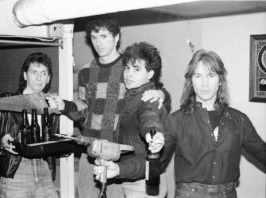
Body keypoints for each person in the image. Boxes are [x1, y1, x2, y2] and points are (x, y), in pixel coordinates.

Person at [46, 18, 170, 198]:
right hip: (91, 150)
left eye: (104, 36)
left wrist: (162, 95)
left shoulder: (129, 67)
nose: (98, 42)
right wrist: (64, 105)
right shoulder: (86, 71)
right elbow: (83, 109)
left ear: (116, 37)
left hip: (118, 154)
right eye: (94, 37)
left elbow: (150, 100)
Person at [160, 49, 266, 198]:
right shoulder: (175, 120)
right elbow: (156, 163)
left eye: (211, 75)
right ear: (191, 81)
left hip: (227, 194)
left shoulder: (239, 120)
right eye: (198, 76)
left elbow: (261, 152)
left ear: (220, 80)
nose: (204, 83)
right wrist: (153, 150)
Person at [93, 42, 169, 198]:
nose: (129, 74)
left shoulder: (148, 98)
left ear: (150, 74)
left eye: (136, 69)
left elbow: (149, 116)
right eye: (127, 68)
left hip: (144, 184)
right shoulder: (131, 97)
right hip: (133, 177)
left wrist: (153, 133)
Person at [0, 52, 59, 198]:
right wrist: (0, 142)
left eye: (43, 73)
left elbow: (53, 141)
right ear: (25, 75)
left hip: (44, 171)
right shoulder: (7, 101)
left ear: (48, 78)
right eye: (33, 72)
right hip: (16, 171)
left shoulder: (51, 105)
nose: (38, 78)